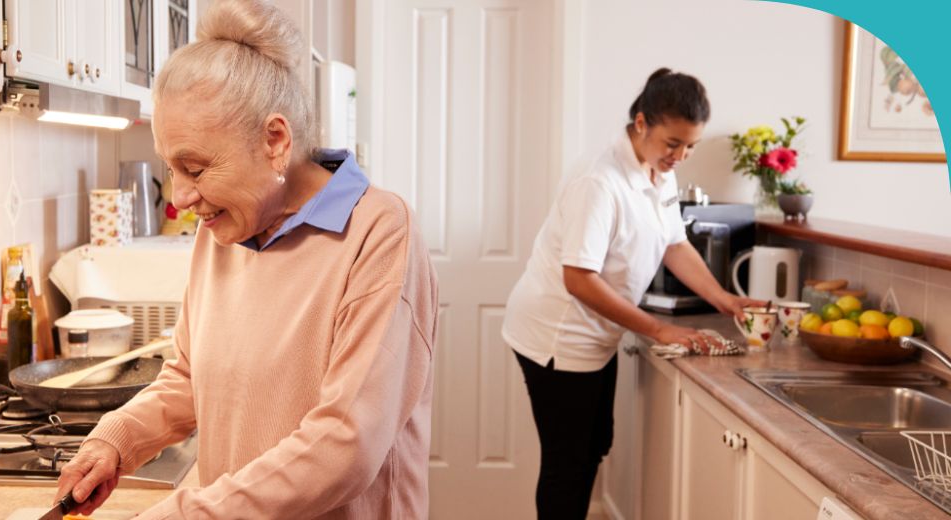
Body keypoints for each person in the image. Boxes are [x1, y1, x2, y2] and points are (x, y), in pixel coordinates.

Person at [54, 0, 439, 518]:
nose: (181, 197)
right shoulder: (222, 231)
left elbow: (345, 446)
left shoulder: (379, 232)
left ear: (275, 140)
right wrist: (116, 440)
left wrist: (185, 513)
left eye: (194, 168)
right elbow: (191, 378)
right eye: (171, 168)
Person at [501, 68, 761, 519]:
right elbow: (578, 279)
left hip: (596, 334)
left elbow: (674, 244)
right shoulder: (599, 182)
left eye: (690, 145)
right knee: (569, 463)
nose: (681, 155)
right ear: (641, 123)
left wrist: (725, 299)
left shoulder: (658, 171)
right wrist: (659, 328)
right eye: (673, 143)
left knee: (595, 445)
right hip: (556, 338)